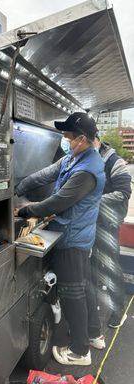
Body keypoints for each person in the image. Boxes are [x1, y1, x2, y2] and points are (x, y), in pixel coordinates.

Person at [15, 112, 105, 366]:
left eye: (68, 136)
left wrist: (25, 209)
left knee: (72, 293)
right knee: (83, 285)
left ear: (83, 139)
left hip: (73, 239)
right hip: (74, 233)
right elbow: (45, 174)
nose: (65, 140)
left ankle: (80, 351)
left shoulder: (87, 170)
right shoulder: (74, 158)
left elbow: (58, 201)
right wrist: (17, 189)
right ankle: (94, 334)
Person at [93, 136, 132, 328]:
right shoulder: (88, 158)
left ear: (96, 140)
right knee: (95, 264)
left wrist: (92, 200)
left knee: (111, 265)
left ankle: (119, 311)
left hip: (108, 222)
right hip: (94, 221)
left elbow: (123, 192)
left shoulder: (114, 161)